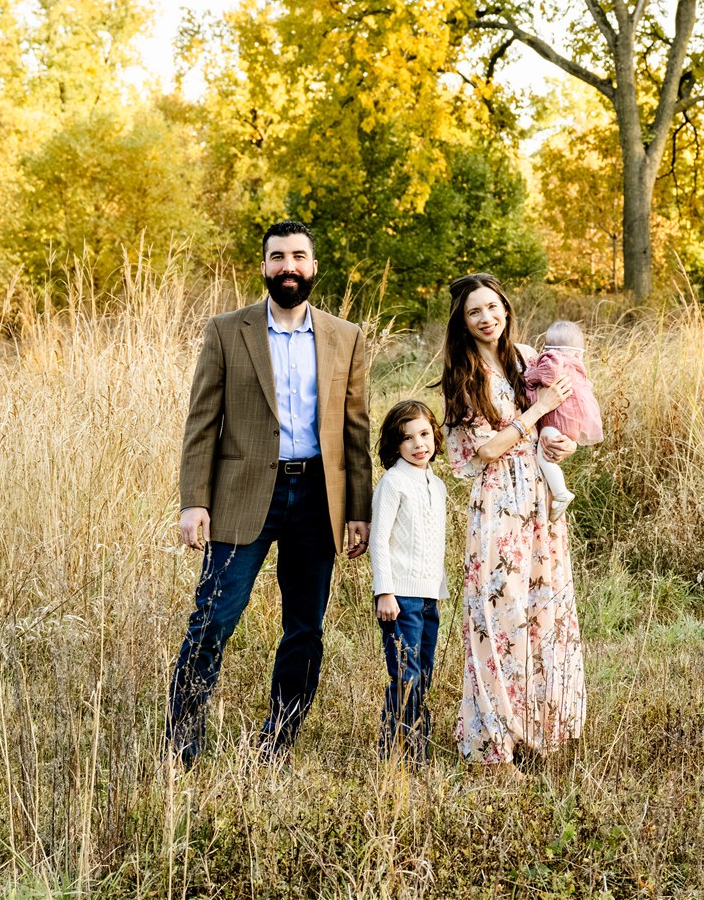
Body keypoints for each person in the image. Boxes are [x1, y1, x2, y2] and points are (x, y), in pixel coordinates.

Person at [166, 220, 372, 767]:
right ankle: (182, 742)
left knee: (305, 629)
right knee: (213, 616)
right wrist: (194, 501)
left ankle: (277, 740)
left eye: (298, 257)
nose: (288, 267)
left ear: (313, 266)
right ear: (264, 267)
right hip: (242, 495)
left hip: (317, 501)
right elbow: (201, 422)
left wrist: (358, 509)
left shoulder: (344, 337)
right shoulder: (227, 330)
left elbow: (355, 429)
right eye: (277, 257)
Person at [441, 272, 586, 772]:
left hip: (539, 502)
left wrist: (559, 439)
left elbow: (557, 424)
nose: (487, 318)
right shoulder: (463, 374)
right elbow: (484, 449)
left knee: (543, 610)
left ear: (505, 307)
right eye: (475, 312)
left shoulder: (526, 357)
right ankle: (496, 737)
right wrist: (536, 412)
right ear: (462, 322)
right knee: (499, 613)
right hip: (499, 504)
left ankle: (541, 732)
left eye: (493, 307)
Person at [369, 398, 449, 762]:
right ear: (395, 445)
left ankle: (416, 745)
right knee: (406, 673)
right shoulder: (394, 482)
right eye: (408, 438)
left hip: (428, 596)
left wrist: (438, 591)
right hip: (400, 597)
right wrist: (384, 592)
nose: (419, 445)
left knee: (423, 672)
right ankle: (399, 752)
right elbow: (379, 540)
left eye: (424, 434)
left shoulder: (437, 485)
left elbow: (433, 543)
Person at [523, 319, 605, 521]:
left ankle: (561, 493)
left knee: (544, 456)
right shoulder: (577, 365)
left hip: (556, 419)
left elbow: (548, 376)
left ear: (549, 346)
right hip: (573, 421)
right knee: (549, 453)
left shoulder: (552, 358)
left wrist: (529, 375)